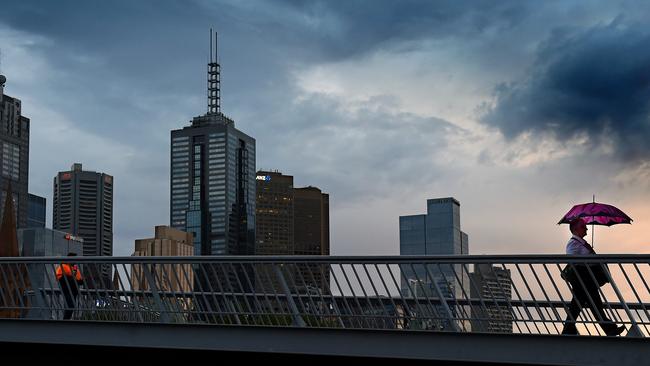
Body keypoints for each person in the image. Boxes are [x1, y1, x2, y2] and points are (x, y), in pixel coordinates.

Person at [561, 218, 625, 336]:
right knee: (590, 303)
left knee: (583, 304)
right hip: (583, 278)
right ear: (575, 229)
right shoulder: (573, 243)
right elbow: (572, 261)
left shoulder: (581, 243)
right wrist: (590, 257)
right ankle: (609, 329)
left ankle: (569, 329)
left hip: (586, 278)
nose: (586, 228)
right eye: (583, 226)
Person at [55, 252, 83, 320]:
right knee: (70, 305)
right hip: (67, 290)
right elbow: (60, 278)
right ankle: (65, 321)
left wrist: (74, 279)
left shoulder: (75, 269)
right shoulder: (63, 266)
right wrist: (73, 279)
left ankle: (66, 320)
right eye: (75, 259)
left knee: (71, 306)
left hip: (74, 290)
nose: (76, 261)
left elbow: (81, 281)